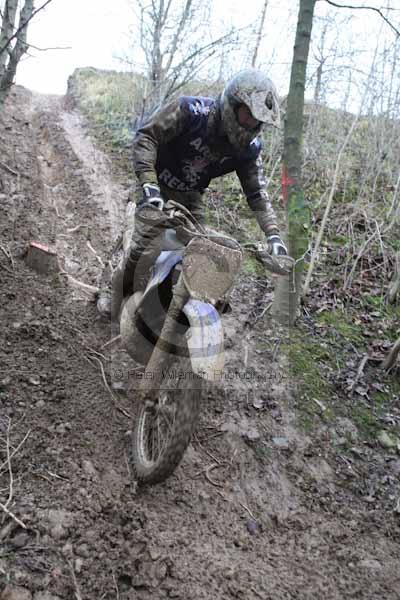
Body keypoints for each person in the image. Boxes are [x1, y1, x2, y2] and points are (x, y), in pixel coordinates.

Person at [97, 68, 288, 319]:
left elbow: (257, 192)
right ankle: (113, 290)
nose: (251, 123)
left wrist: (273, 235)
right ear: (232, 104)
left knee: (200, 255)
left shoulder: (249, 149)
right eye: (248, 114)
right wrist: (148, 183)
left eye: (257, 120)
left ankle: (169, 314)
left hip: (191, 196)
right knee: (145, 249)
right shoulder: (190, 111)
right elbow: (147, 136)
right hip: (157, 184)